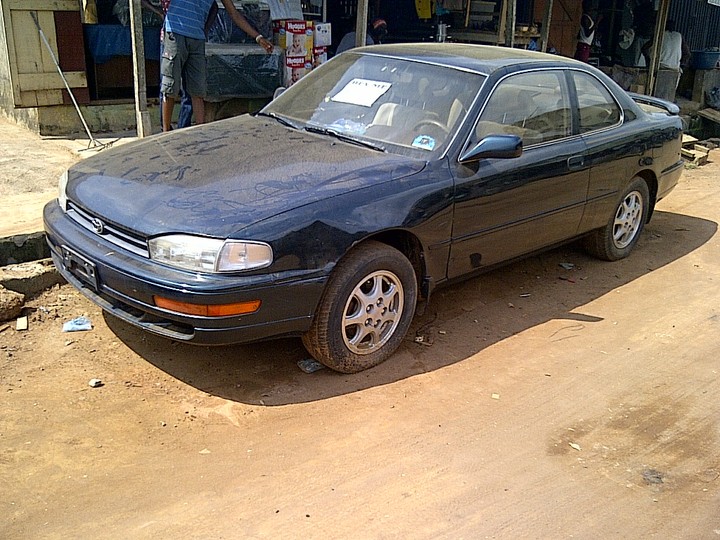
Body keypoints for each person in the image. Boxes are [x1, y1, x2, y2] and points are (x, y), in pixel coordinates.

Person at [161, 0, 273, 132]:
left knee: (198, 90)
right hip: (175, 32)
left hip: (197, 37)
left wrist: (258, 37)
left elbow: (234, 14)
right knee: (170, 86)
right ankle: (165, 131)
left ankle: (199, 132)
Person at [142, 0, 193, 129]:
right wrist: (158, 11)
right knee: (167, 84)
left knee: (189, 86)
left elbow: (213, 6)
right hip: (169, 37)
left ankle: (183, 125)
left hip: (191, 35)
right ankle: (166, 128)